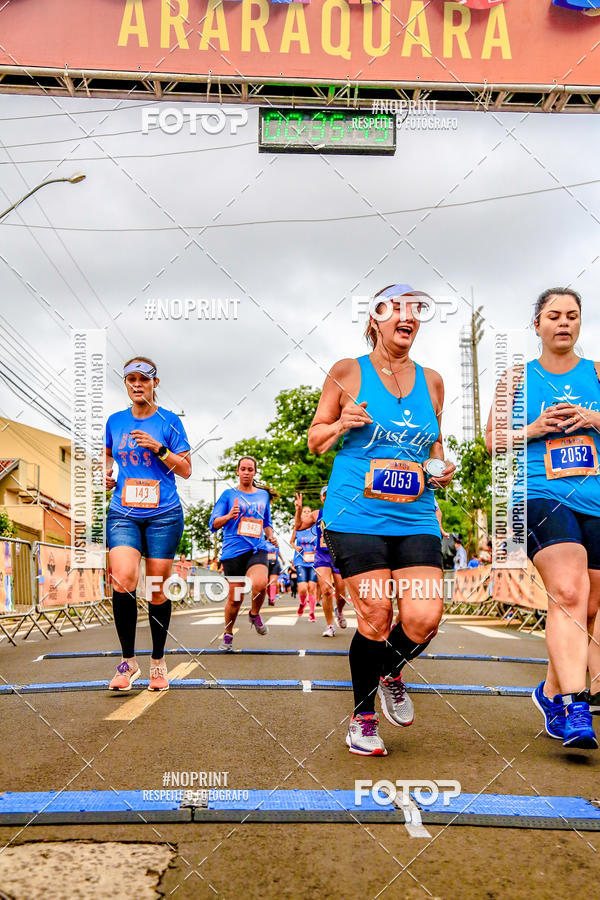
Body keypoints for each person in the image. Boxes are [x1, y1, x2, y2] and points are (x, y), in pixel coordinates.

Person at [308, 284, 455, 755]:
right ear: (374, 319)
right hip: (356, 513)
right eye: (396, 309)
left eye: (416, 311)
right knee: (375, 612)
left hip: (415, 514)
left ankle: (390, 670)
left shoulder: (433, 381)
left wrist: (439, 467)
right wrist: (341, 423)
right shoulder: (347, 371)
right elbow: (315, 440)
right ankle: (363, 718)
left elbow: (434, 442)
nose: (407, 317)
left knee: (424, 618)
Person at [485, 287, 598, 750]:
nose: (563, 322)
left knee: (589, 605)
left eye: (572, 315)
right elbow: (492, 443)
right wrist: (532, 429)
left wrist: (591, 417)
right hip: (538, 494)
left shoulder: (597, 373)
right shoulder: (516, 378)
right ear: (538, 325)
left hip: (594, 498)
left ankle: (550, 692)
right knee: (568, 590)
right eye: (554, 315)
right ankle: (575, 706)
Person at [105, 357, 191, 691]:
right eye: (131, 379)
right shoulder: (115, 421)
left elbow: (186, 469)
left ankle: (157, 661)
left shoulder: (169, 422)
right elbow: (107, 454)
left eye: (144, 379)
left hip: (163, 514)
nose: (137, 384)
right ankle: (128, 663)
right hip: (124, 512)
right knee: (123, 578)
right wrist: (106, 474)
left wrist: (159, 449)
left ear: (155, 383)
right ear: (126, 384)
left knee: (156, 588)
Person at [209, 457, 277, 651]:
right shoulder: (228, 495)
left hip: (257, 548)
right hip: (233, 551)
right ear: (237, 472)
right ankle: (228, 633)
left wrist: (270, 536)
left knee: (260, 584)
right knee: (235, 599)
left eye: (250, 469)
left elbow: (266, 523)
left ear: (255, 472)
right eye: (243, 469)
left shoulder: (263, 496)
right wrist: (229, 516)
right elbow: (213, 523)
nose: (246, 472)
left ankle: (254, 614)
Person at [294, 487, 347, 636]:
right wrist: (298, 510)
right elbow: (298, 526)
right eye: (324, 495)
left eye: (330, 495)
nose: (327, 497)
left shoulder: (343, 512)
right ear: (322, 498)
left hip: (338, 555)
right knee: (326, 590)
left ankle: (339, 611)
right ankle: (330, 626)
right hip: (322, 555)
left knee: (341, 594)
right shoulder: (317, 514)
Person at [291, 516, 318, 622]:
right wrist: (295, 547)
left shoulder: (316, 528)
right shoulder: (297, 528)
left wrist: (317, 548)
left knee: (312, 587)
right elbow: (291, 541)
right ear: (301, 516)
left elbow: (321, 541)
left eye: (308, 512)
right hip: (300, 561)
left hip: (314, 561)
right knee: (302, 588)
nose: (307, 514)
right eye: (304, 512)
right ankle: (302, 603)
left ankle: (312, 612)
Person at [265, 538, 282, 606]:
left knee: (273, 582)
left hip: (274, 563)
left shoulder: (275, 542)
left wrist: (282, 560)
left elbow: (278, 552)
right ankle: (270, 597)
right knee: (266, 583)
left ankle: (272, 599)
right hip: (265, 564)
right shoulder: (262, 542)